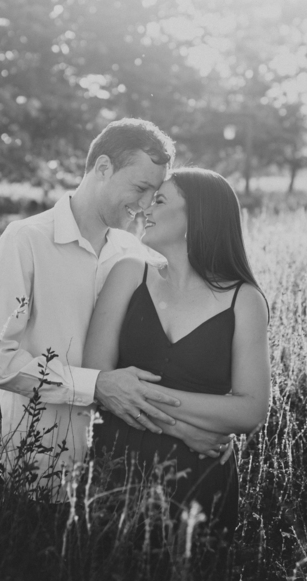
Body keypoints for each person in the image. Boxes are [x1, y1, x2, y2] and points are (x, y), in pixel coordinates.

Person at [0, 119, 233, 495]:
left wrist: (184, 428)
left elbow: (151, 368)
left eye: (155, 194)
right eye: (140, 188)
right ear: (104, 167)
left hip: (122, 475)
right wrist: (95, 385)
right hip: (42, 470)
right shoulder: (25, 241)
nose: (145, 205)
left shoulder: (136, 255)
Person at [84, 167, 270, 533]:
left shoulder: (244, 300)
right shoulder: (129, 274)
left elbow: (251, 410)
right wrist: (183, 429)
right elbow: (97, 378)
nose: (145, 210)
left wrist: (137, 394)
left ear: (196, 216)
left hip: (199, 478)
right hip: (118, 466)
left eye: (159, 200)